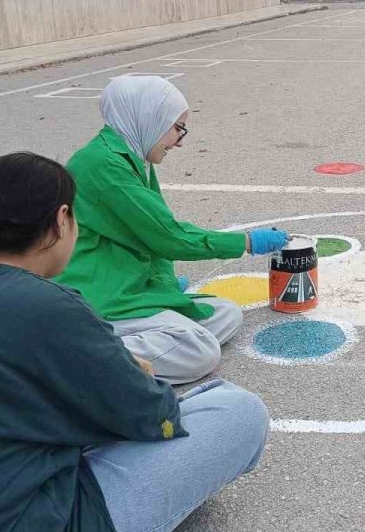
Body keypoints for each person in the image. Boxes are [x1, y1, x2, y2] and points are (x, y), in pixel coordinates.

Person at [0, 153, 269, 532]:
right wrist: (137, 370)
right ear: (61, 220)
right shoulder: (47, 305)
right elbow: (154, 416)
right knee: (236, 411)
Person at [60, 75, 287, 383]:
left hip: (129, 284)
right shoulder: (104, 165)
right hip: (103, 297)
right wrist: (246, 242)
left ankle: (131, 347)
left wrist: (163, 284)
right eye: (177, 128)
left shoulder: (132, 156)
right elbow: (167, 237)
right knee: (201, 351)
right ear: (149, 118)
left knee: (225, 313)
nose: (180, 141)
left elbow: (151, 237)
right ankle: (80, 356)